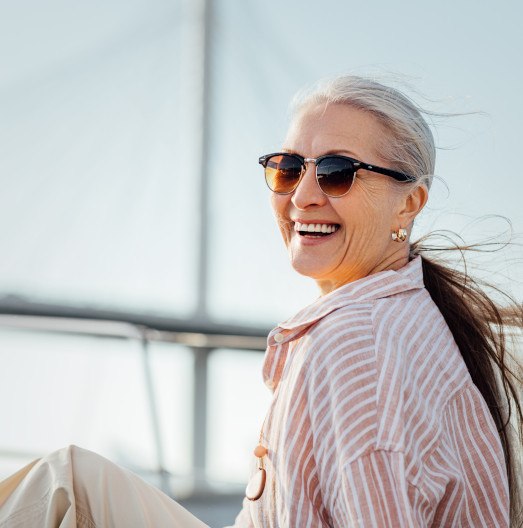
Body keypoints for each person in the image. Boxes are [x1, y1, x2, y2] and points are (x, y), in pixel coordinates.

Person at [0, 75, 522, 527]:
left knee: (58, 490)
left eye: (337, 171)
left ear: (409, 202)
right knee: (69, 479)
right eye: (288, 168)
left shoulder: (355, 342)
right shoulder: (407, 316)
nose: (302, 196)